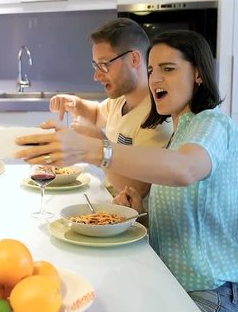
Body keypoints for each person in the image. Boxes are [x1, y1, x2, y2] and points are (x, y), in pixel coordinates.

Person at [15, 30, 238, 312]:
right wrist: (142, 209)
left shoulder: (214, 123)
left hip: (214, 295)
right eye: (152, 71)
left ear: (199, 74)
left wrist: (96, 150)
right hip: (173, 285)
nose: (155, 80)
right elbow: (187, 204)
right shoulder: (179, 133)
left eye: (168, 69)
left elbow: (186, 169)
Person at [49, 18, 173, 198]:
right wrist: (75, 103)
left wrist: (99, 145)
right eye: (96, 65)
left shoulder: (157, 118)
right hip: (107, 197)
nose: (97, 75)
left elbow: (136, 191)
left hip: (130, 217)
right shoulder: (120, 98)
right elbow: (98, 114)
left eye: (104, 64)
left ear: (134, 59)